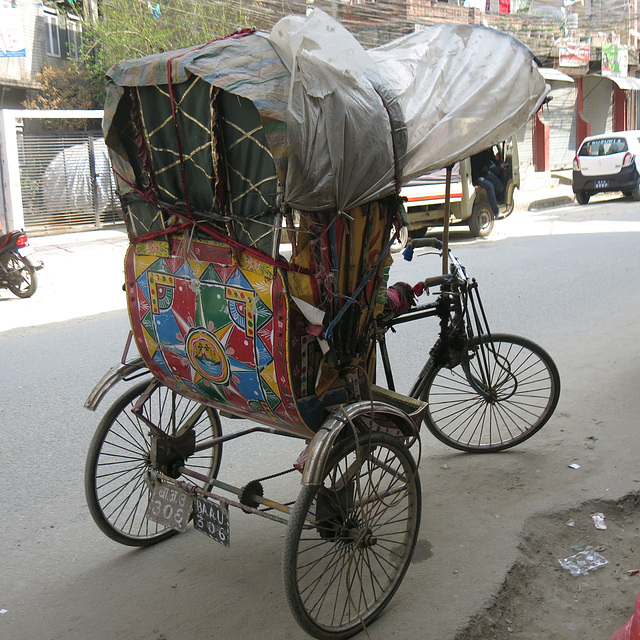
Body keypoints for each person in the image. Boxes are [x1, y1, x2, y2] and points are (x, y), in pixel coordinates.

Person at [470, 147, 505, 216]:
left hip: (486, 173)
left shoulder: (487, 148)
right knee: (490, 187)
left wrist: (500, 164)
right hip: (478, 177)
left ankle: (492, 200)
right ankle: (496, 212)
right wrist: (475, 183)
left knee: (501, 187)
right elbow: (473, 168)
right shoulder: (476, 150)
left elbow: (492, 157)